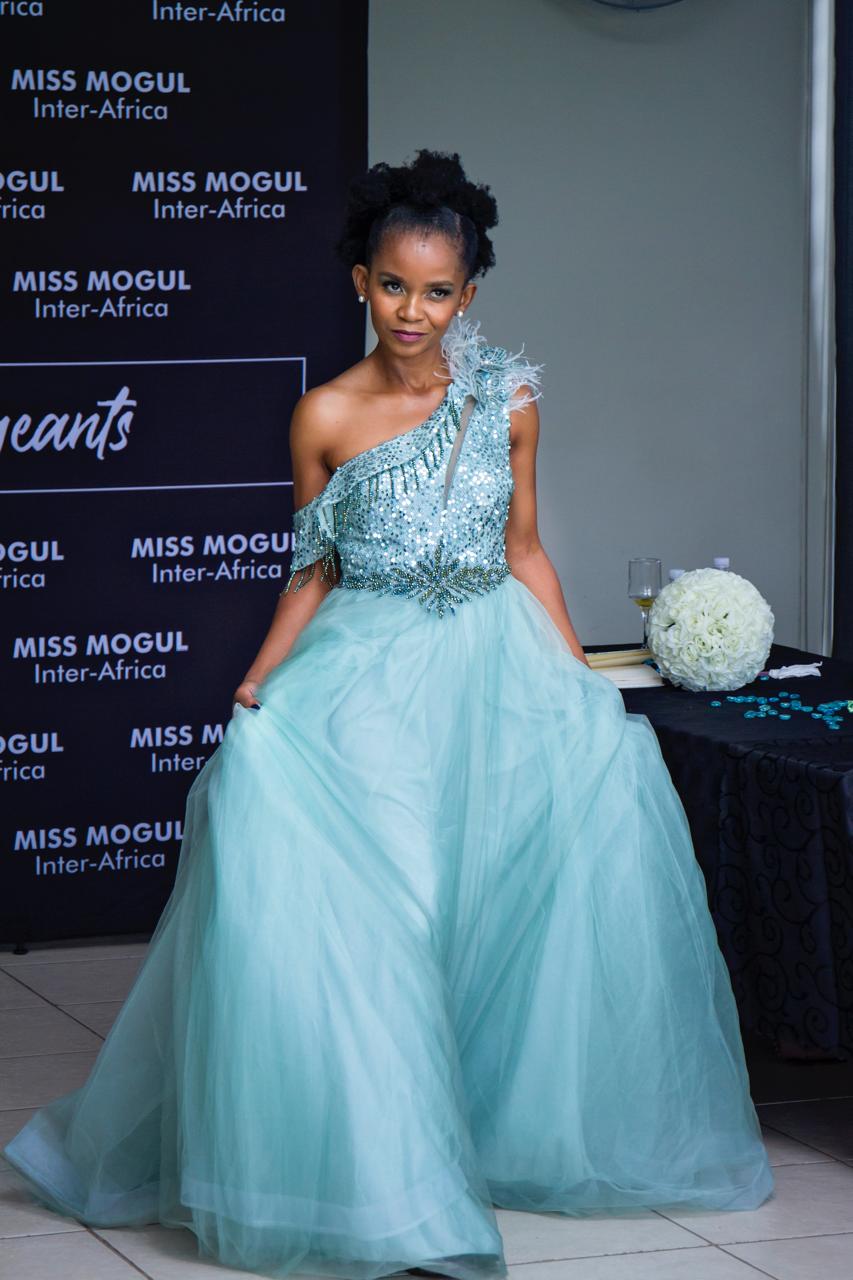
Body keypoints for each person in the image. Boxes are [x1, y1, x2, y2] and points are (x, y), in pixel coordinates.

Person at [4, 149, 774, 1280]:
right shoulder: (323, 413)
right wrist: (258, 680)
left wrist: (576, 678)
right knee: (383, 910)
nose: (413, 311)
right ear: (360, 280)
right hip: (366, 674)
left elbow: (523, 549)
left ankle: (474, 1135)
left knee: (496, 907)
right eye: (394, 285)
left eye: (437, 291)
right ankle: (388, 1187)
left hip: (494, 671)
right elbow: (311, 571)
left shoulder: (507, 397)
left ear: (469, 294)